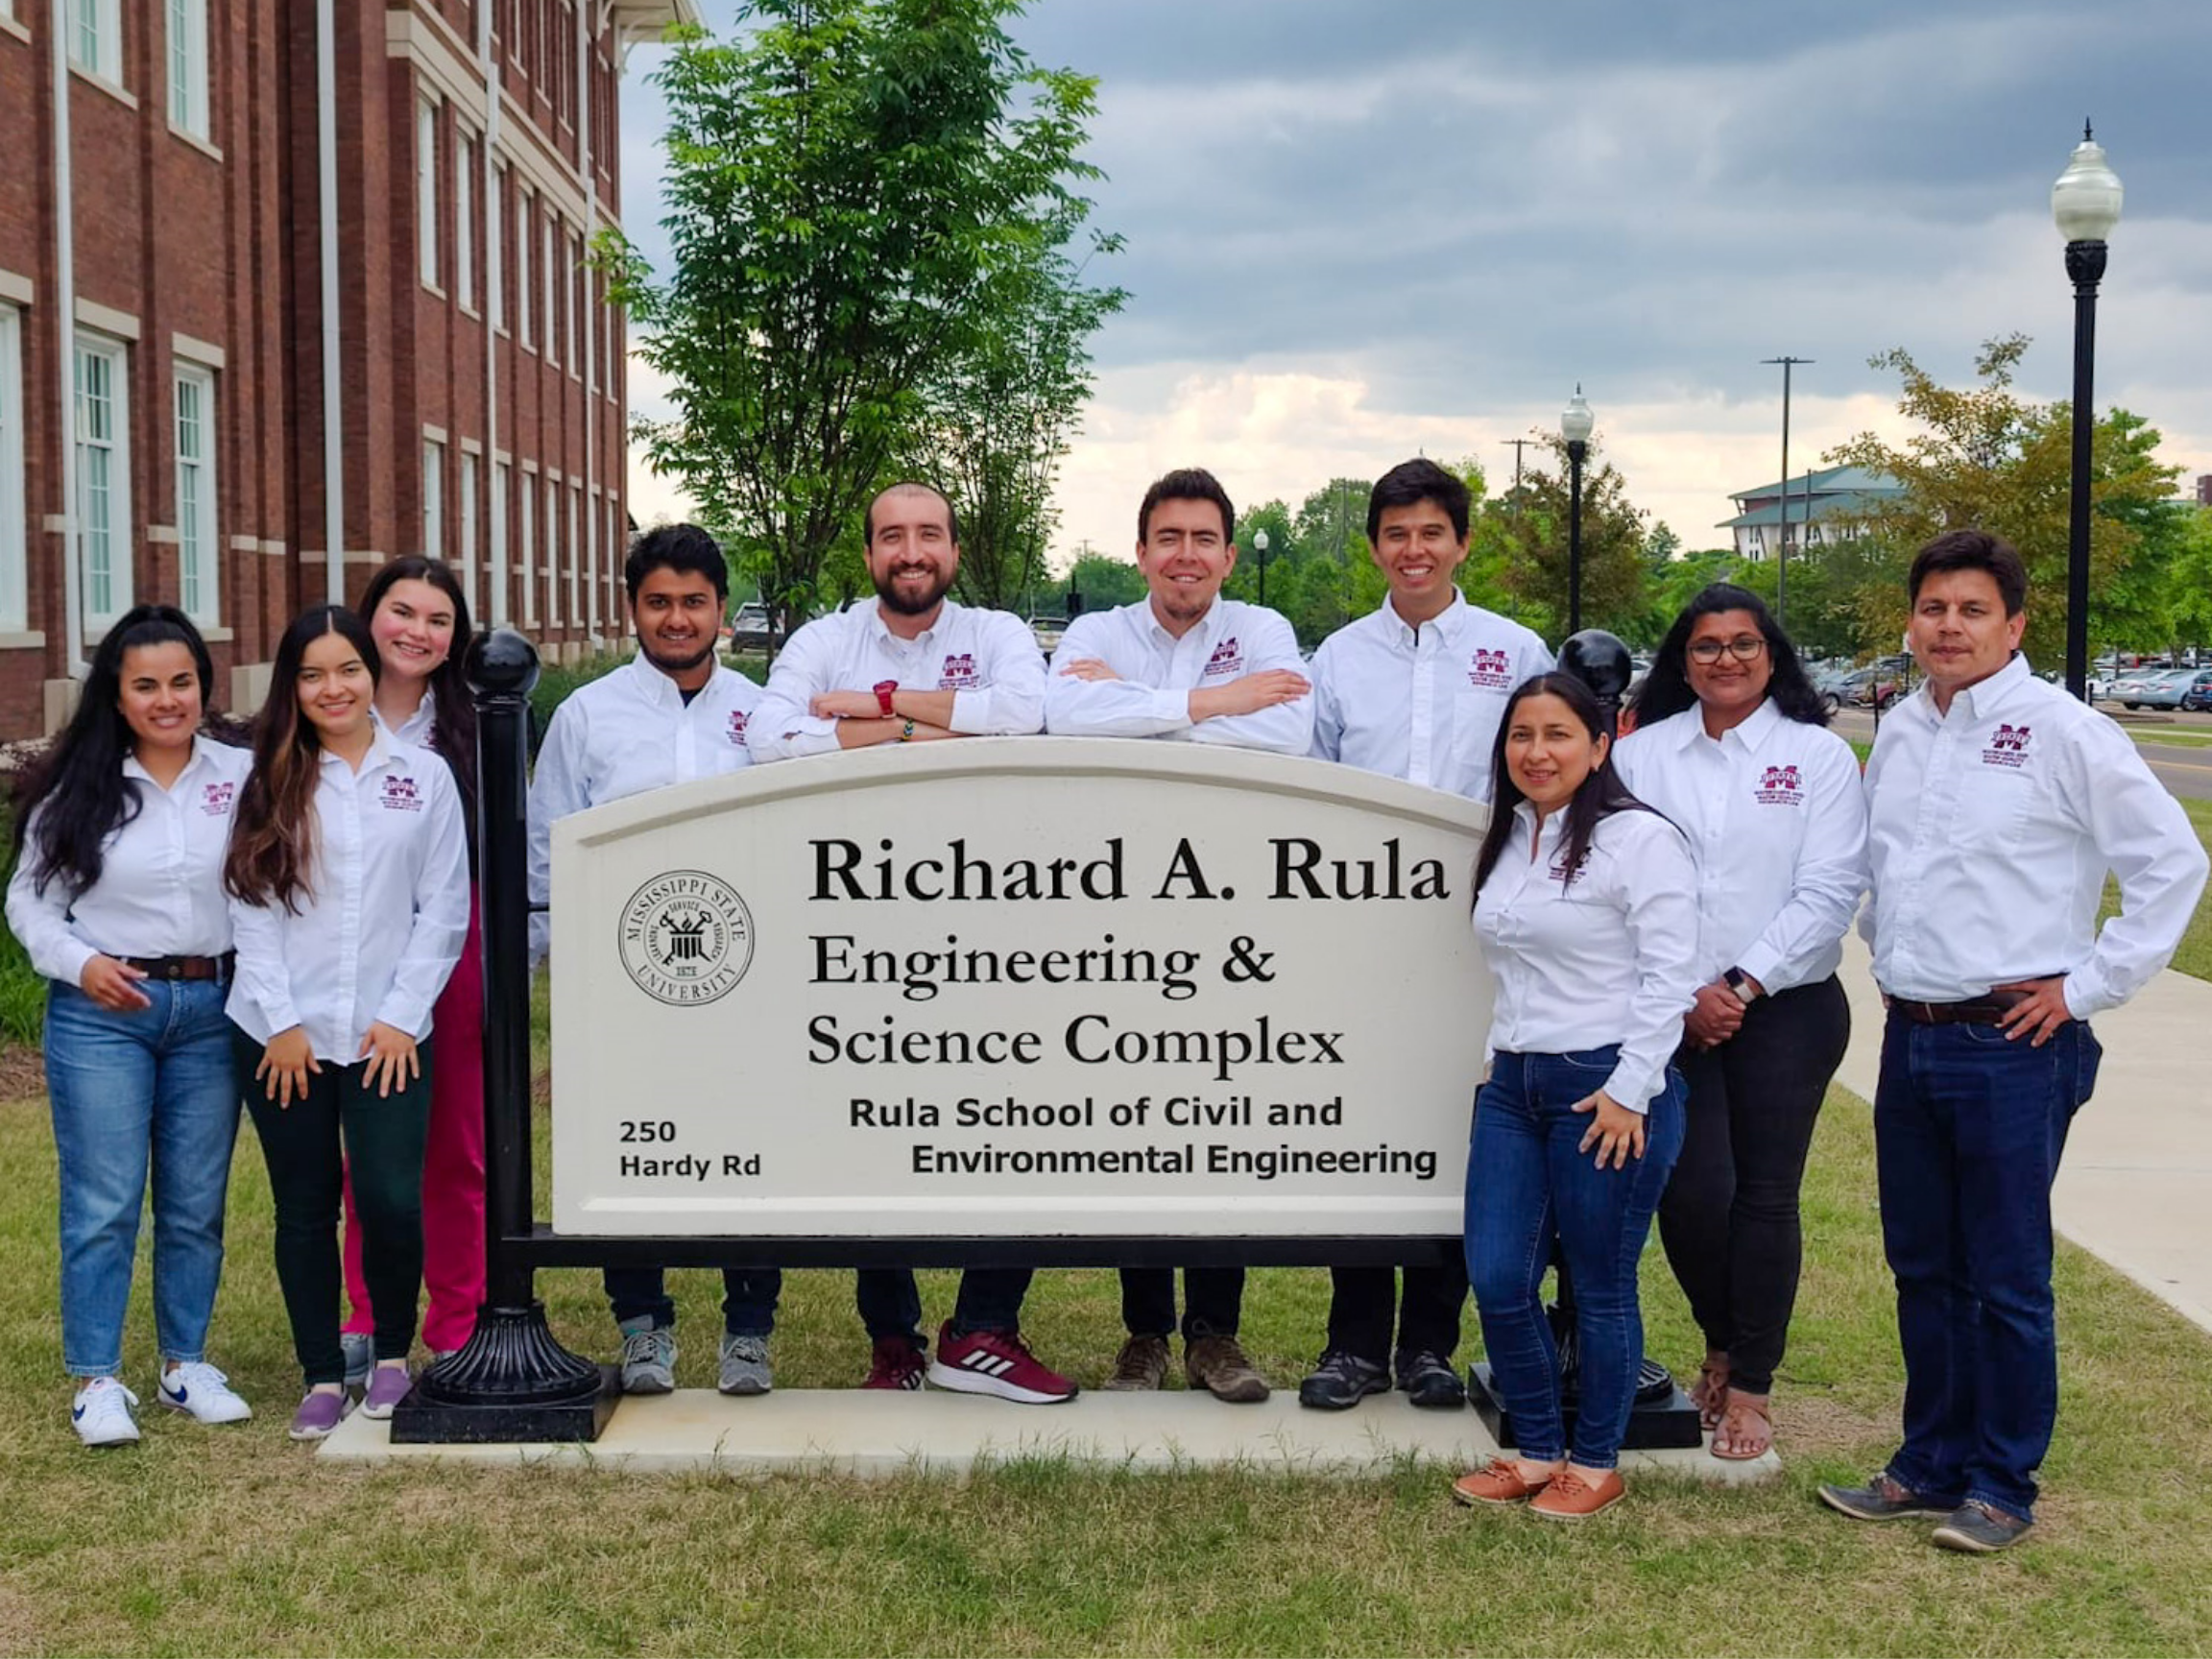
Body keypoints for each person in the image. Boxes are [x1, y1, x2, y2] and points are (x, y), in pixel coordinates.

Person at [1819, 530, 2207, 1551]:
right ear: (1912, 621)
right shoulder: (1901, 729)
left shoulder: (2063, 731)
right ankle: (1927, 1464)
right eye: (1935, 608)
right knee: (1922, 1265)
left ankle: (2002, 1484)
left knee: (2006, 1275)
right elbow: (1883, 870)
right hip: (1914, 1034)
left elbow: (2171, 863)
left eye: (1973, 610)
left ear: (2015, 625)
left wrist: (2085, 988)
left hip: (2013, 1045)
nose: (1950, 627)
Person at [750, 482, 1073, 1404]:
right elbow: (771, 737)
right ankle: (893, 1339)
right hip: (860, 915)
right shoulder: (821, 639)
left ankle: (981, 1328)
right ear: (870, 556)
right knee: (874, 1118)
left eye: (928, 534)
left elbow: (1023, 715)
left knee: (1013, 1111)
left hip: (991, 913)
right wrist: (907, 723)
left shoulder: (999, 634)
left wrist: (868, 705)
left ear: (953, 550)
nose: (911, 551)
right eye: (892, 536)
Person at [1045, 466, 1312, 1405]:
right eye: (1170, 538)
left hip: (1230, 903)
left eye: (1204, 539)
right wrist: (1209, 705)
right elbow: (1064, 720)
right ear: (1141, 551)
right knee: (1132, 1116)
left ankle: (1216, 1335)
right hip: (1115, 904)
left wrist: (1142, 713)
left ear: (1229, 556)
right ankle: (1143, 1334)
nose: (1186, 555)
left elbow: (1290, 735)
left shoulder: (1265, 633)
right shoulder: (1094, 634)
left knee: (1217, 1107)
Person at [1300, 457, 1552, 1412]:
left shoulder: (1514, 648)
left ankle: (1428, 1347)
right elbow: (1312, 789)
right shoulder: (1338, 658)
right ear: (1375, 546)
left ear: (1462, 543)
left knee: (1458, 1123)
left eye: (1431, 534)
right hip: (1359, 929)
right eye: (1396, 534)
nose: (1414, 550)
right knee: (1361, 1123)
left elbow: (1542, 772)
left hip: (1478, 926)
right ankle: (1353, 1344)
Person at [1616, 584, 1866, 1460]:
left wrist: (1741, 982)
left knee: (1764, 1196)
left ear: (1772, 656)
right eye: (1707, 646)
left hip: (1787, 1009)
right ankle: (1720, 1338)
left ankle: (1751, 1385)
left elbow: (1829, 890)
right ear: (1682, 660)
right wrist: (1690, 987)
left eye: (1744, 644)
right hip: (1674, 1008)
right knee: (1687, 1194)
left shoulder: (1818, 757)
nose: (1726, 659)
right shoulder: (1643, 757)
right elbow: (1624, 881)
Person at [528, 523, 778, 1398]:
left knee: (752, 1150)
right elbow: (544, 852)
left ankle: (748, 1331)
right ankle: (643, 1327)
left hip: (747, 974)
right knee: (623, 1154)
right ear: (633, 607)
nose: (677, 619)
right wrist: (554, 990)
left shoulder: (763, 713)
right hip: (619, 981)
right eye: (659, 602)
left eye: (694, 602)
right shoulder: (586, 715)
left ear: (720, 610)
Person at [4, 607, 255, 1446]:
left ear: (203, 687)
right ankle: (97, 1379)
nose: (166, 700)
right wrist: (82, 965)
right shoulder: (81, 786)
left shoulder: (239, 776)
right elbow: (30, 905)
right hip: (104, 1014)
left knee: (194, 1203)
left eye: (181, 682)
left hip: (211, 1012)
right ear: (116, 695)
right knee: (106, 1201)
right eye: (145, 685)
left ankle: (185, 1364)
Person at [1452, 672, 1698, 1520]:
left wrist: (1632, 1091)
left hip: (1607, 1089)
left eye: (1558, 734)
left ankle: (1594, 1461)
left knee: (1598, 1281)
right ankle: (1533, 1450)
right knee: (1497, 1274)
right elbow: (1515, 963)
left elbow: (1672, 977)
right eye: (1522, 735)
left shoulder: (1640, 840)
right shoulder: (1514, 832)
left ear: (1600, 746)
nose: (1537, 751)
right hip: (1514, 1087)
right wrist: (1495, 1060)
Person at [225, 606, 469, 1439]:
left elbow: (443, 907)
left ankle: (393, 1358)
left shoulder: (424, 776)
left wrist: (403, 1019)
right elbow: (249, 911)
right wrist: (280, 1023)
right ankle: (323, 1373)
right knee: (303, 1207)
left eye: (348, 669)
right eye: (312, 674)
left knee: (391, 1198)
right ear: (292, 687)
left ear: (374, 673)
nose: (333, 688)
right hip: (281, 1038)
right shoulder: (268, 779)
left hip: (387, 1039)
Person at [330, 558, 485, 1389]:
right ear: (369, 616)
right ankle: (365, 1314)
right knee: (371, 1147)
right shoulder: (324, 712)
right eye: (401, 612)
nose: (417, 633)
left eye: (437, 620)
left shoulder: (470, 725)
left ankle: (459, 1317)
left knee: (456, 1143)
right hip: (354, 951)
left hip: (453, 951)